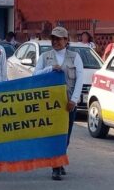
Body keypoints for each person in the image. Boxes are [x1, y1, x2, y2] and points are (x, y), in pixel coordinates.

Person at [33, 26, 84, 181]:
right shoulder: (45, 56)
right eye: (53, 38)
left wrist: (74, 100)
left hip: (68, 104)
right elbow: (35, 75)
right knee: (54, 136)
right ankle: (56, 166)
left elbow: (80, 80)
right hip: (50, 105)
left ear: (66, 40)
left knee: (65, 137)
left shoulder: (75, 57)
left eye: (59, 39)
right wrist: (49, 69)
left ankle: (59, 161)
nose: (55, 41)